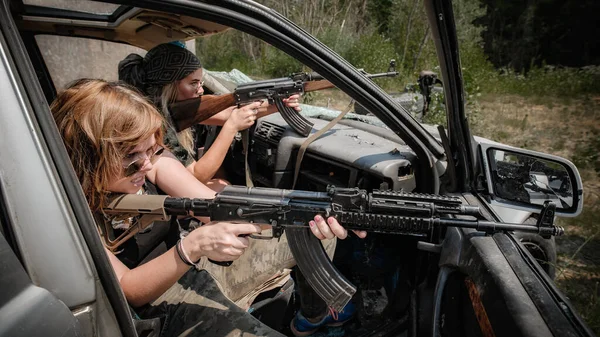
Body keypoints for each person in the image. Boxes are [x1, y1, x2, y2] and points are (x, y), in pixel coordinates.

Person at [51, 79, 365, 336]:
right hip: (156, 308)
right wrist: (193, 246)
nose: (147, 165)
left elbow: (215, 206)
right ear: (89, 159)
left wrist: (316, 210)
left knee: (314, 235)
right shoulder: (64, 208)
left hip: (192, 270)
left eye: (153, 149)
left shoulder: (152, 164)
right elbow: (129, 290)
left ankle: (310, 319)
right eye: (133, 159)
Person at [118, 42, 301, 191]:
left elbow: (228, 112)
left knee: (223, 185)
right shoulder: (155, 121)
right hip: (165, 197)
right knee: (223, 188)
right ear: (169, 86)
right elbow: (195, 175)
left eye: (201, 82)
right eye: (193, 84)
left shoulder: (172, 109)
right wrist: (231, 128)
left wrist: (278, 105)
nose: (201, 90)